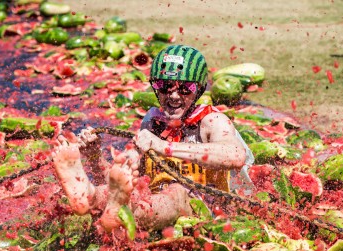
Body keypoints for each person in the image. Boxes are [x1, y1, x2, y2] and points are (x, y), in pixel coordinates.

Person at [52, 45, 254, 234]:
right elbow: (128, 183)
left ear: (199, 90)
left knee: (175, 191)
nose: (174, 96)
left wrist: (163, 146)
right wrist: (95, 158)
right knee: (138, 190)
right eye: (165, 87)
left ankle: (126, 214)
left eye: (185, 89)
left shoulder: (212, 120)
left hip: (208, 210)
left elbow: (235, 156)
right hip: (159, 207)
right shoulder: (153, 121)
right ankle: (91, 196)